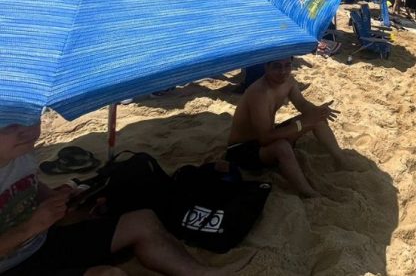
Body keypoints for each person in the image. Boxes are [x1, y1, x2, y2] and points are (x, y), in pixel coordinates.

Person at [0, 122, 226, 275]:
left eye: (31, 118)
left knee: (142, 221)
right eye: (10, 126)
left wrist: (60, 202)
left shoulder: (21, 152)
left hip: (41, 241)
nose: (28, 131)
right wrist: (31, 226)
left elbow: (29, 184)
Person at [226, 58, 345, 198]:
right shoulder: (259, 93)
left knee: (317, 119)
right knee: (282, 146)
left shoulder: (288, 81)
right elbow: (264, 138)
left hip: (267, 137)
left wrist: (319, 111)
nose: (283, 71)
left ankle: (341, 160)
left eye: (287, 65)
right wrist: (302, 124)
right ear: (266, 67)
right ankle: (308, 192)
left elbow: (302, 105)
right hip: (242, 149)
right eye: (277, 66)